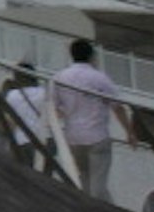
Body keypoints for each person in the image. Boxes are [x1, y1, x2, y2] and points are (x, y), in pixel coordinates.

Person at [50, 39, 128, 202]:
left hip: (73, 137)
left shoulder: (60, 77)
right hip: (97, 135)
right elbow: (117, 106)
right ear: (91, 56)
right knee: (98, 185)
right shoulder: (99, 78)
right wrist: (130, 132)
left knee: (84, 178)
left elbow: (55, 108)